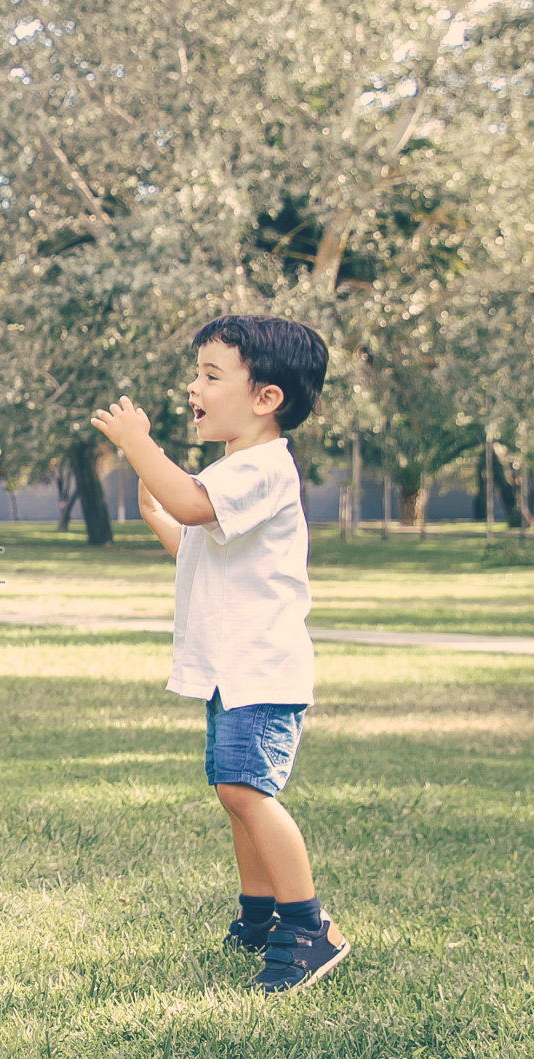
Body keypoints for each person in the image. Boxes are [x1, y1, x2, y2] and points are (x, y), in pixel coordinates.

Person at [91, 314, 347, 994]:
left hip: (261, 668)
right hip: (234, 670)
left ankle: (309, 927)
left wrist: (140, 445)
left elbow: (190, 502)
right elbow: (199, 554)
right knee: (234, 793)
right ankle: (259, 917)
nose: (192, 387)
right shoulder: (235, 469)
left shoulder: (264, 466)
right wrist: (157, 515)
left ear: (266, 397)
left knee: (246, 790)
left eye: (210, 375)